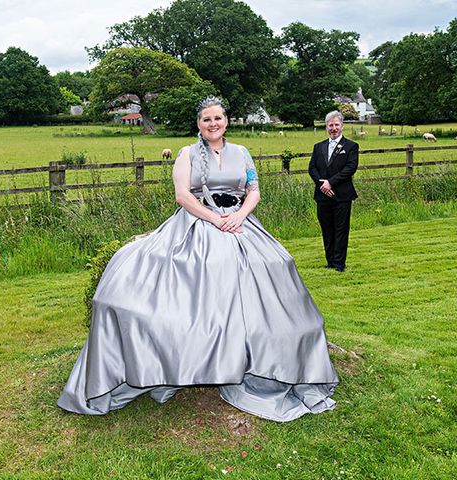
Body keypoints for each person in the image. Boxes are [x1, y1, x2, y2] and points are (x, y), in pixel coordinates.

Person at [58, 96, 338, 422]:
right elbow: (182, 196)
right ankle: (193, 355)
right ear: (199, 125)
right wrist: (214, 219)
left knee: (274, 263)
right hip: (198, 222)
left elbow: (254, 191)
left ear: (226, 121)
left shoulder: (243, 153)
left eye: (218, 118)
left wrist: (240, 216)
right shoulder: (187, 154)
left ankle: (260, 356)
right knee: (203, 269)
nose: (213, 124)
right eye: (206, 119)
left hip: (239, 221)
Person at [308, 111, 359, 272]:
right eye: (331, 125)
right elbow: (312, 168)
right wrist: (322, 185)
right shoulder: (318, 147)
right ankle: (329, 261)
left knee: (341, 230)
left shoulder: (351, 146)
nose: (334, 128)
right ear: (326, 127)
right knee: (327, 229)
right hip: (322, 196)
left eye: (337, 125)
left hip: (342, 195)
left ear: (342, 126)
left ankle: (339, 264)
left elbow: (350, 168)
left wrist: (331, 183)